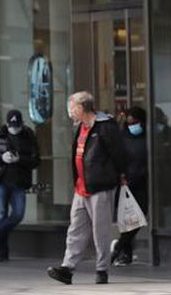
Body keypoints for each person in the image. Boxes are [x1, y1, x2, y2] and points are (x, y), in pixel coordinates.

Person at [47, 92, 126, 285]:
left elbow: (118, 153)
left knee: (101, 231)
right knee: (75, 229)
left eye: (72, 108)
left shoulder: (105, 126)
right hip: (81, 187)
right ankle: (67, 268)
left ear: (82, 108)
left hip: (100, 186)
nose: (70, 112)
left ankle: (102, 269)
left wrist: (121, 175)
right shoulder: (80, 128)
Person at [0, 109, 40, 262]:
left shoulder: (28, 135)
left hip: (19, 182)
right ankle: (2, 253)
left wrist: (19, 159)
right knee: (1, 216)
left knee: (18, 214)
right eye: (12, 126)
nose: (14, 129)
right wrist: (1, 157)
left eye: (17, 126)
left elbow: (36, 160)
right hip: (1, 181)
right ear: (7, 124)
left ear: (22, 124)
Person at [111, 106, 148, 267]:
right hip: (126, 184)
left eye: (136, 122)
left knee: (139, 218)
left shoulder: (148, 138)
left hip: (143, 183)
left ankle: (119, 248)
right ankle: (125, 252)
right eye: (130, 122)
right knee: (129, 220)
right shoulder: (122, 138)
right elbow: (117, 159)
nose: (133, 125)